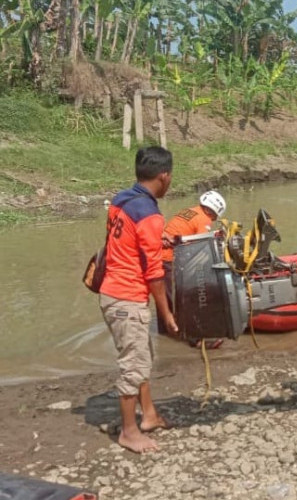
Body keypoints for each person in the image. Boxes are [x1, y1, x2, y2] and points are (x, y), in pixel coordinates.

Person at [99, 146, 178, 453]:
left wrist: (154, 238)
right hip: (126, 298)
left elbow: (124, 239)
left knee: (142, 355)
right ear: (164, 176)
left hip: (112, 291)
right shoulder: (150, 214)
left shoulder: (122, 199)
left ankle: (150, 415)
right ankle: (129, 432)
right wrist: (166, 312)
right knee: (133, 365)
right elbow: (154, 273)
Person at [159, 190, 227, 349]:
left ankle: (164, 334)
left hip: (159, 255)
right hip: (169, 259)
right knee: (185, 299)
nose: (213, 219)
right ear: (212, 211)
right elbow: (201, 245)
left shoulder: (189, 211)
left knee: (166, 298)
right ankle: (194, 339)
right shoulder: (204, 218)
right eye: (214, 216)